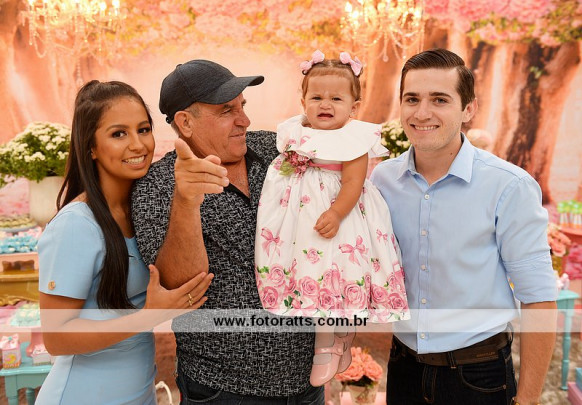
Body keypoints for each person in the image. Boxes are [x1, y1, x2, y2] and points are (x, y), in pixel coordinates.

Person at [370, 48, 558, 405]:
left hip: (478, 376)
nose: (422, 113)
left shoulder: (509, 186)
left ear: (468, 109)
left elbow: (538, 298)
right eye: (412, 99)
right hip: (402, 368)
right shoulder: (382, 180)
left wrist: (529, 399)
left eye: (439, 99)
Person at [131, 60, 325, 404]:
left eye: (242, 106)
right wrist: (186, 202)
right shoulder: (156, 186)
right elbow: (178, 287)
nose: (244, 120)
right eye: (226, 111)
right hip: (222, 390)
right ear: (185, 122)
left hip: (306, 383)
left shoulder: (276, 151)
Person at [36, 80, 213, 405]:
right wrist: (149, 316)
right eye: (119, 134)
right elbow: (57, 338)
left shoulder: (141, 212)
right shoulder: (76, 225)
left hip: (138, 395)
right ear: (91, 146)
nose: (137, 145)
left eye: (143, 130)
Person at [254, 50, 409, 387]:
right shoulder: (295, 131)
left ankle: (332, 342)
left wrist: (337, 212)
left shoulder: (353, 139)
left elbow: (354, 183)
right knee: (312, 272)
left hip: (343, 216)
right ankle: (337, 339)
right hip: (303, 218)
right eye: (316, 97)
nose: (325, 104)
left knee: (340, 273)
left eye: (336, 99)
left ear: (354, 106)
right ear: (303, 101)